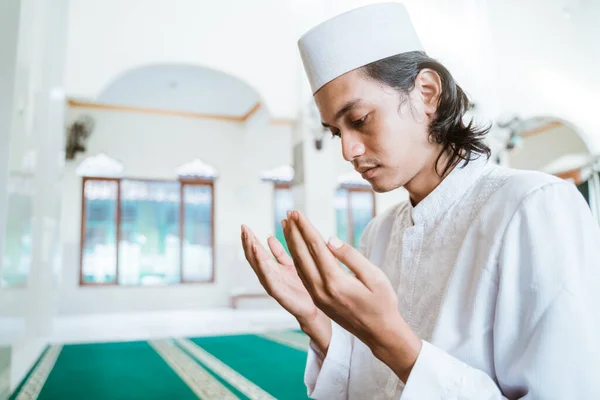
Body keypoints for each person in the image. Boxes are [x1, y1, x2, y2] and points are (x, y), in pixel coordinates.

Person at [240, 2, 600, 399]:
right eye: (335, 132)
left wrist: (394, 341)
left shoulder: (534, 206)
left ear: (427, 92)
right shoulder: (379, 233)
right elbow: (374, 384)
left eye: (359, 120)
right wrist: (317, 319)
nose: (348, 150)